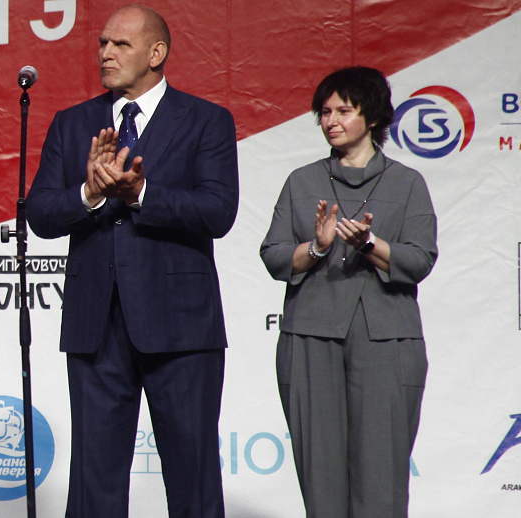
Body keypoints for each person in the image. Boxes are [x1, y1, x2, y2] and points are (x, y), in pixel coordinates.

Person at [24, 5, 237, 516]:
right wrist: (89, 193)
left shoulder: (206, 120)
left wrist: (142, 193)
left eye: (120, 44)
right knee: (94, 484)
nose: (105, 53)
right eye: (103, 43)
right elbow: (41, 214)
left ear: (156, 53)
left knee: (193, 477)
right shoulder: (72, 123)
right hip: (95, 325)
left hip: (182, 326)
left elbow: (217, 211)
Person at [260, 66, 436, 517]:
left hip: (385, 337)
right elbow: (274, 255)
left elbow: (419, 260)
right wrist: (317, 247)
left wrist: (369, 244)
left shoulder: (407, 182)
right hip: (310, 334)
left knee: (381, 472)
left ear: (372, 117)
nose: (331, 121)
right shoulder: (302, 181)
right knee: (320, 475)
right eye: (325, 112)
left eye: (343, 111)